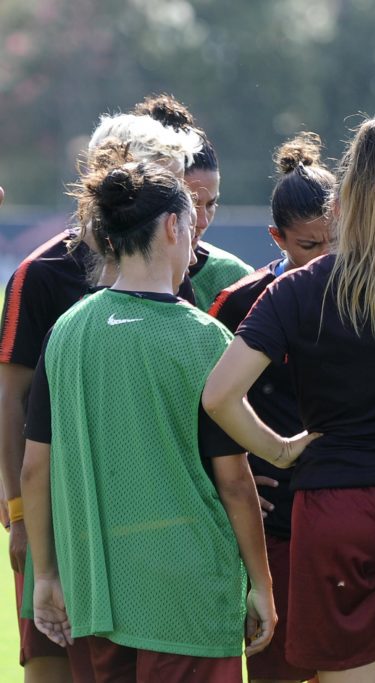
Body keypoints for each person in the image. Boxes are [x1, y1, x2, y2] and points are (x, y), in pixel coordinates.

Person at [202, 118, 375, 683]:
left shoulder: (298, 288)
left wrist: (280, 451)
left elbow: (219, 395)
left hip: (335, 507)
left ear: (344, 197)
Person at [20, 160, 275, 681]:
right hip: (189, 592)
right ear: (172, 227)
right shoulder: (205, 338)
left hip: (95, 590)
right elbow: (233, 481)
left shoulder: (67, 332)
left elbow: (34, 470)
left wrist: (46, 575)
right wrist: (262, 586)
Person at [0, 111, 201, 683]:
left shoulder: (178, 271)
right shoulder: (41, 275)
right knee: (55, 660)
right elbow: (10, 399)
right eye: (165, 178)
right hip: (60, 517)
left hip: (152, 523)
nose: (177, 203)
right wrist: (19, 516)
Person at [208, 131, 335, 683]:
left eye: (337, 241)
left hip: (352, 515)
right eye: (309, 246)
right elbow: (208, 407)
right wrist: (233, 479)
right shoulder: (239, 302)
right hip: (275, 530)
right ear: (276, 237)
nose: (325, 258)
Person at [134, 94, 254, 310]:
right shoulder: (100, 275)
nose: (202, 221)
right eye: (190, 203)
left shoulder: (237, 280)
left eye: (211, 204)